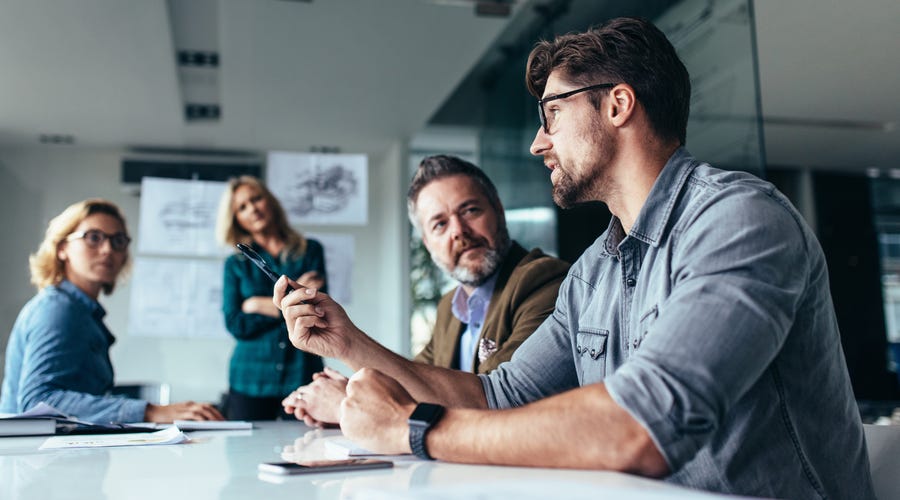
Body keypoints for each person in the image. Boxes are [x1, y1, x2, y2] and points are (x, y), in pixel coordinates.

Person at [274, 17, 875, 499]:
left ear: (617, 105)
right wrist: (347, 343)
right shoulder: (593, 271)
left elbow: (641, 426)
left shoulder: (740, 219)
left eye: (552, 114)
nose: (539, 141)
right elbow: (497, 396)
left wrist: (412, 430)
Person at [281, 155, 569, 425]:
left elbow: (495, 401)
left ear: (498, 211)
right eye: (440, 224)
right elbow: (413, 384)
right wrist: (354, 391)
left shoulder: (544, 281)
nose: (458, 231)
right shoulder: (450, 307)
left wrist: (347, 401)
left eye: (470, 210)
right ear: (427, 242)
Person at [0, 199, 223, 423]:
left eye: (118, 241)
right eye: (93, 238)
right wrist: (150, 411)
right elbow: (38, 402)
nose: (107, 250)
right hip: (34, 455)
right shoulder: (58, 309)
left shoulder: (82, 312)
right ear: (62, 248)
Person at [216, 175, 326, 420]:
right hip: (250, 378)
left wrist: (255, 304)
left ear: (270, 202)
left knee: (306, 449)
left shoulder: (310, 251)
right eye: (242, 207)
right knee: (245, 455)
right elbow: (235, 323)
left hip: (302, 373)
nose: (252, 208)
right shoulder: (235, 264)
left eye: (256, 199)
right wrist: (289, 305)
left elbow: (315, 310)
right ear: (236, 219)